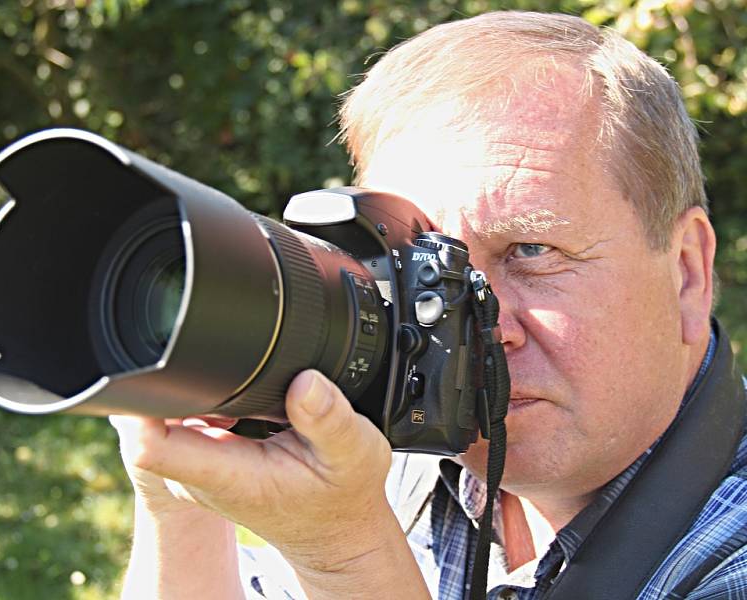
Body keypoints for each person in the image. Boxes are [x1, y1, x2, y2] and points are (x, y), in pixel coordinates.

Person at [108, 11, 747, 599]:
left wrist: (346, 558)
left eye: (531, 249)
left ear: (687, 271)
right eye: (431, 272)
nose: (481, 326)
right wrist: (179, 497)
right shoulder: (401, 459)